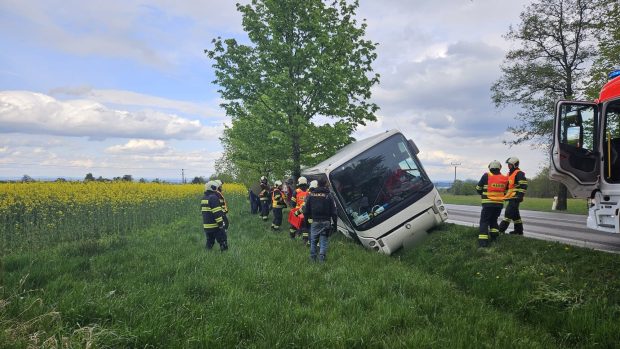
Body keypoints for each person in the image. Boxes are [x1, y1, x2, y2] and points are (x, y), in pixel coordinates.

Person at [304, 177, 338, 262]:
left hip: (315, 221)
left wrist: (306, 223)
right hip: (326, 221)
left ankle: (313, 258)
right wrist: (335, 225)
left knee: (313, 240)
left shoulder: (311, 195)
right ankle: (322, 258)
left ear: (318, 185)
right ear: (325, 184)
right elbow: (334, 212)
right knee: (323, 240)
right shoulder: (328, 195)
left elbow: (306, 211)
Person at [475, 160, 508, 247]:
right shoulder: (504, 178)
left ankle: (483, 243)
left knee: (484, 222)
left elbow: (478, 188)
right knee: (494, 221)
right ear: (499, 168)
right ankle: (494, 239)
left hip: (487, 204)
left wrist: (483, 194)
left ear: (490, 167)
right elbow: (506, 192)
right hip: (499, 205)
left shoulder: (486, 176)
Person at [499, 157, 528, 235]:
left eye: (510, 165)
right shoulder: (509, 174)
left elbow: (524, 186)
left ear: (515, 165)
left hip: (516, 198)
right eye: (508, 165)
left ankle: (500, 231)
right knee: (516, 216)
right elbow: (507, 186)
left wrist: (520, 196)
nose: (508, 166)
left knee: (508, 214)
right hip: (511, 197)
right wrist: (504, 194)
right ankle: (518, 231)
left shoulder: (519, 173)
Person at [201, 180, 228, 251]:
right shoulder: (213, 198)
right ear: (212, 188)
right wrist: (221, 224)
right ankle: (225, 256)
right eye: (215, 187)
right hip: (215, 226)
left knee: (209, 242)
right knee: (223, 240)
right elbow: (217, 213)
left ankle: (206, 255)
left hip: (207, 226)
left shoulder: (204, 198)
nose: (216, 189)